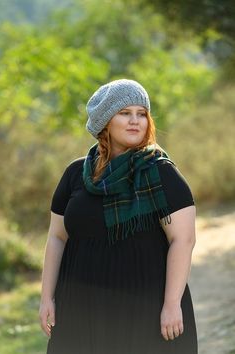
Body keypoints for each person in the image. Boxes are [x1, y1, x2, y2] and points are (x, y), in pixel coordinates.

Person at [39, 79, 198, 354]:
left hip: (144, 306)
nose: (135, 121)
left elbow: (183, 240)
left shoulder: (160, 173)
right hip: (80, 304)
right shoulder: (76, 174)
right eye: (125, 113)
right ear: (105, 122)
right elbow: (56, 237)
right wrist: (46, 297)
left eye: (142, 114)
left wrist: (171, 305)